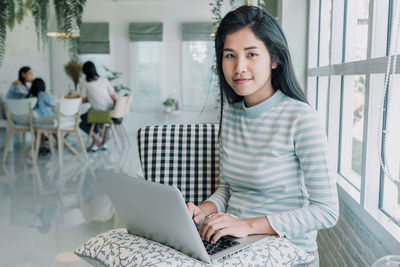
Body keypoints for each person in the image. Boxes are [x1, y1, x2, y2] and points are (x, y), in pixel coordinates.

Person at [186, 6, 338, 266]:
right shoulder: (232, 115)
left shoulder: (301, 119)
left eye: (251, 54)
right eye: (229, 56)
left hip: (287, 247)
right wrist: (204, 210)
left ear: (275, 59)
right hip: (235, 242)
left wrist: (248, 225)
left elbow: (326, 211)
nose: (239, 67)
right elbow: (228, 188)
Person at [79, 61, 116, 152]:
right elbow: (113, 95)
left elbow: (83, 99)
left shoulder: (84, 82)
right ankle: (103, 140)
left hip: (100, 113)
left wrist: (92, 97)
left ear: (84, 72)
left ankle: (96, 138)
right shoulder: (104, 80)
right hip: (111, 111)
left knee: (82, 121)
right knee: (93, 115)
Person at [27, 78, 55, 156]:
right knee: (55, 130)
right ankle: (61, 143)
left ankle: (41, 147)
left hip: (35, 119)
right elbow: (52, 103)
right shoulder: (43, 94)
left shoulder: (30, 95)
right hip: (47, 119)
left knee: (39, 131)